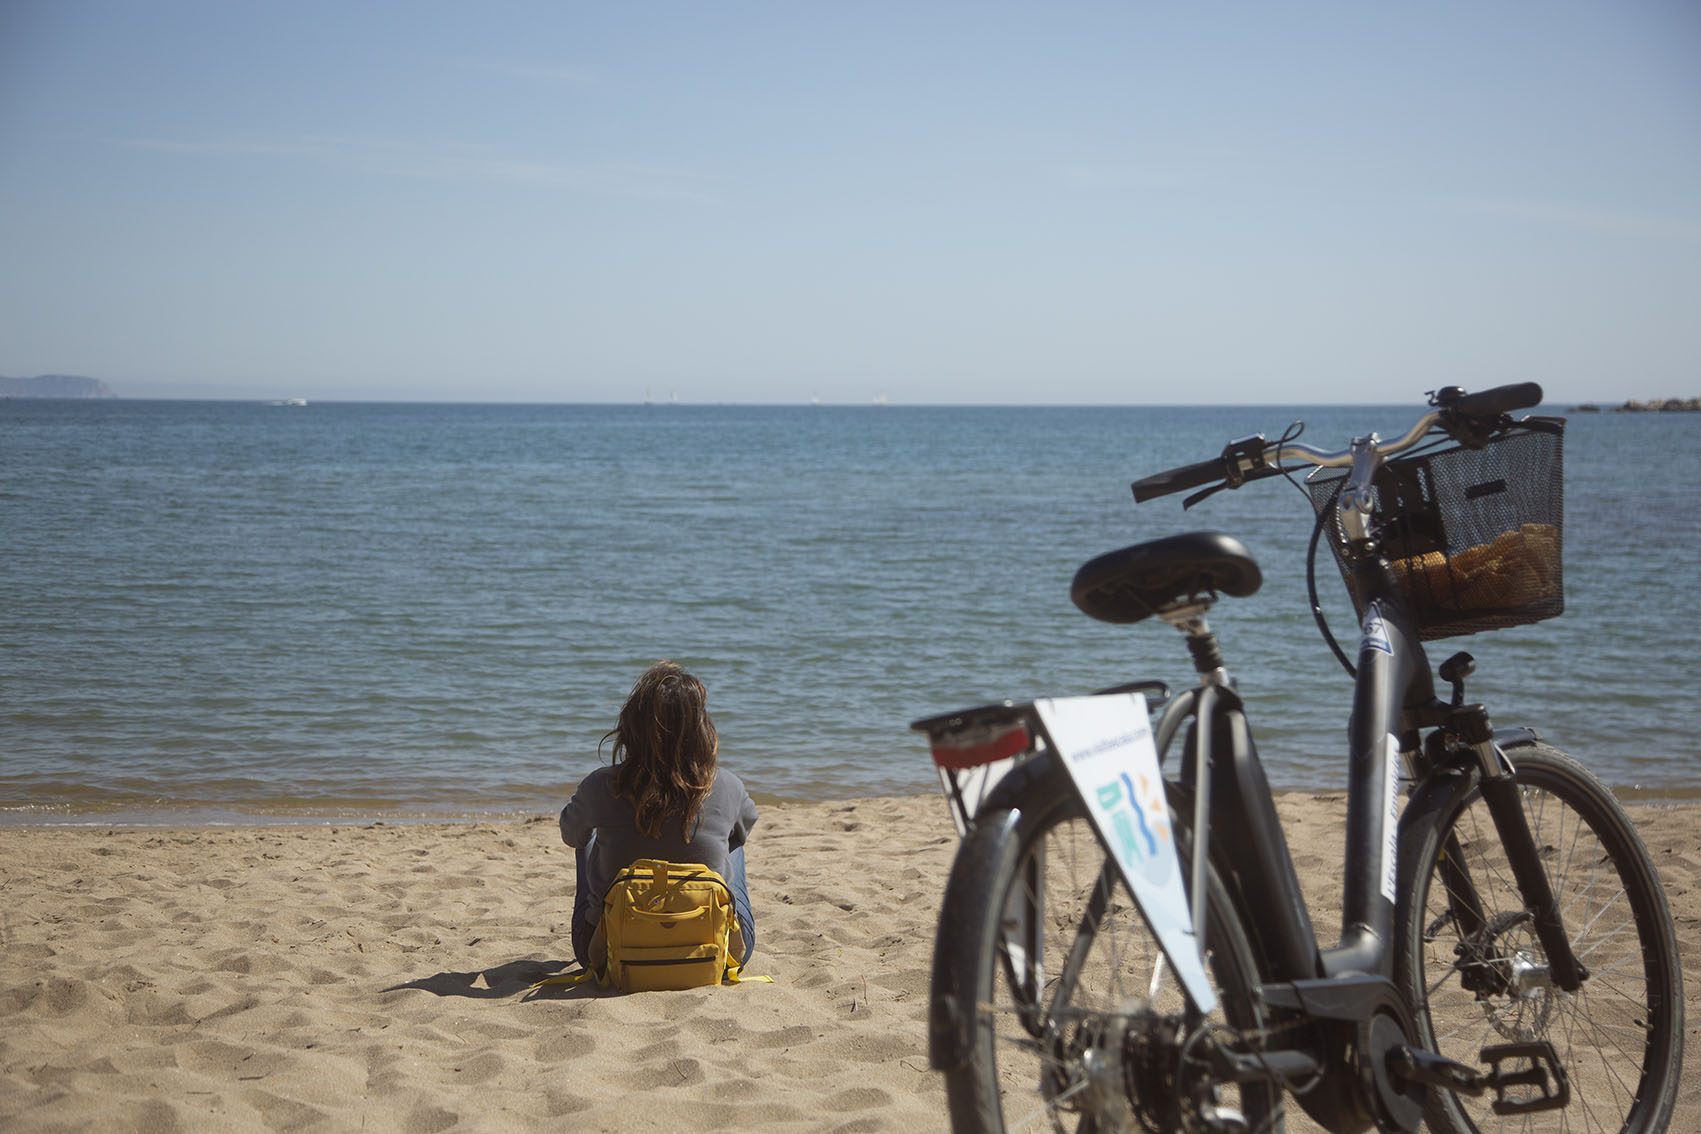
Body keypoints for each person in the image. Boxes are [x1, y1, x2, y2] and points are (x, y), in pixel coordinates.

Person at [559, 661, 758, 975]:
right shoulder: (726, 784)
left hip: (605, 953)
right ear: (701, 728)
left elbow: (571, 834)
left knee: (588, 838)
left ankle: (602, 916)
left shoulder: (600, 785)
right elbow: (749, 822)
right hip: (714, 952)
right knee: (735, 839)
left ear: (631, 725)